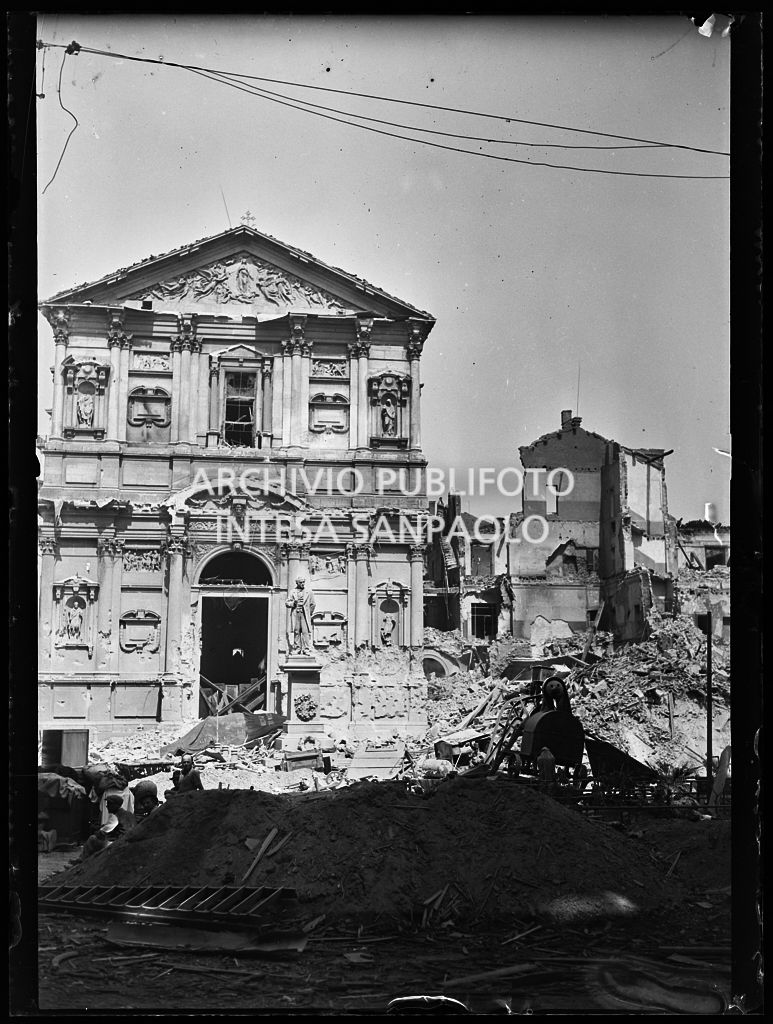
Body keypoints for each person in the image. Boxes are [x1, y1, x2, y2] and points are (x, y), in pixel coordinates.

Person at [286, 577, 316, 655]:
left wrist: (309, 613)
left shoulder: (309, 592)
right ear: (297, 583)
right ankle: (297, 648)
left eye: (303, 582)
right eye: (301, 582)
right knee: (296, 631)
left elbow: (313, 604)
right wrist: (293, 603)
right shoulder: (293, 591)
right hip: (296, 614)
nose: (302, 584)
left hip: (304, 615)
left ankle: (306, 649)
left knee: (305, 632)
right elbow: (287, 603)